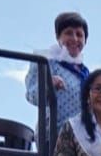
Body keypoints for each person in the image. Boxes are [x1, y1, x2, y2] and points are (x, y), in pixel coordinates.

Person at [25, 11, 90, 142]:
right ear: (58, 37)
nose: (75, 39)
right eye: (68, 33)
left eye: (79, 34)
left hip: (81, 140)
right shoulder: (46, 61)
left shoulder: (85, 73)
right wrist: (49, 84)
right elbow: (31, 95)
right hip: (54, 136)